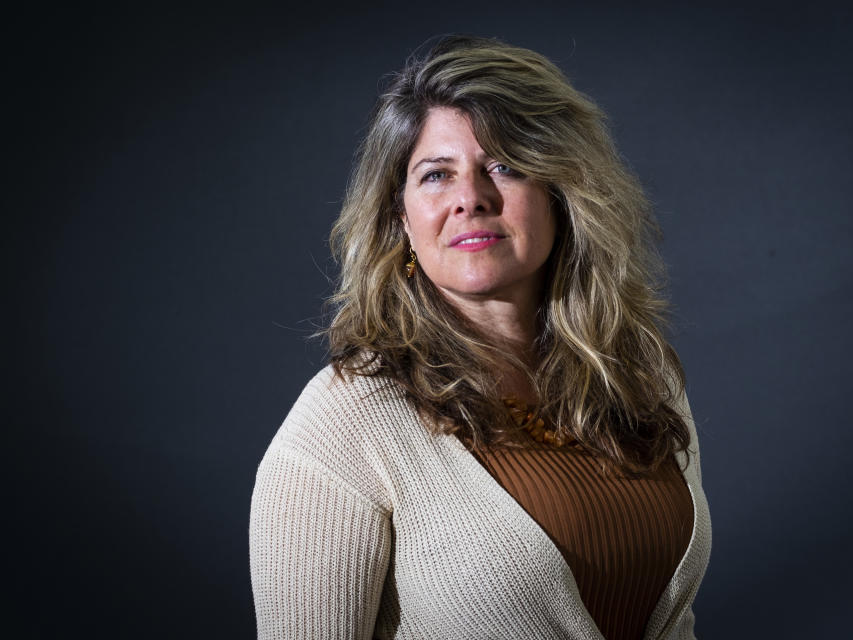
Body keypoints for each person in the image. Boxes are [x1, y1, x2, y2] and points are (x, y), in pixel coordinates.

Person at [249, 35, 711, 640]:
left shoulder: (641, 375)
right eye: (436, 175)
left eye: (505, 166)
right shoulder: (342, 427)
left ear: (562, 194)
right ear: (402, 221)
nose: (471, 198)